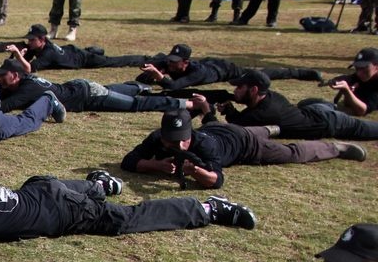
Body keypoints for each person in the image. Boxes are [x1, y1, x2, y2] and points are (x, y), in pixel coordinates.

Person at [0, 158, 257, 248]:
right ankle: (99, 184)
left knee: (126, 221)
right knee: (47, 186)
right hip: (44, 189)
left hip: (68, 212)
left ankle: (205, 209)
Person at [120, 110, 365, 189]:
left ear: (189, 134)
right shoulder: (156, 138)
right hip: (220, 127)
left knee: (290, 153)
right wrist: (156, 165)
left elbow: (216, 180)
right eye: (171, 142)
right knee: (253, 129)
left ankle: (335, 148)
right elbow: (128, 161)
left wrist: (196, 171)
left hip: (244, 145)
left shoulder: (202, 145)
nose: (178, 146)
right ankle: (269, 129)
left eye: (182, 140)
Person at [192, 70, 378, 141]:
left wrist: (208, 111)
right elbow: (243, 118)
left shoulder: (264, 114)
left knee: (371, 130)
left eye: (240, 87)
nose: (236, 91)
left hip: (329, 122)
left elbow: (225, 131)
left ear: (254, 90)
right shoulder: (270, 97)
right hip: (314, 109)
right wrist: (231, 110)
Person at [0, 58, 190, 114]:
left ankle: (181, 103)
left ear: (16, 75)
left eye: (3, 75)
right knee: (114, 91)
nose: (0, 78)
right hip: (81, 86)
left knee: (134, 105)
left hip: (87, 96)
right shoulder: (27, 81)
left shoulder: (28, 88)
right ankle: (139, 86)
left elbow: (6, 107)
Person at [135, 43, 322, 91]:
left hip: (225, 70)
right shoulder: (170, 65)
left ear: (185, 62)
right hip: (210, 61)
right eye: (169, 60)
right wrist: (153, 72)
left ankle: (305, 73)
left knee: (262, 75)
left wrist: (158, 75)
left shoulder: (196, 72)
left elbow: (174, 87)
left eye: (174, 61)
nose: (170, 63)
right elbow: (141, 78)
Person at [8, 24, 148, 72]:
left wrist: (18, 55)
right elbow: (24, 60)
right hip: (71, 51)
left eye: (32, 39)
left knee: (113, 61)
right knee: (94, 52)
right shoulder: (39, 46)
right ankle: (95, 50)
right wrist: (23, 53)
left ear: (42, 39)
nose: (29, 42)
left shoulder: (48, 53)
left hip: (83, 59)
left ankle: (143, 59)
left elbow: (29, 69)